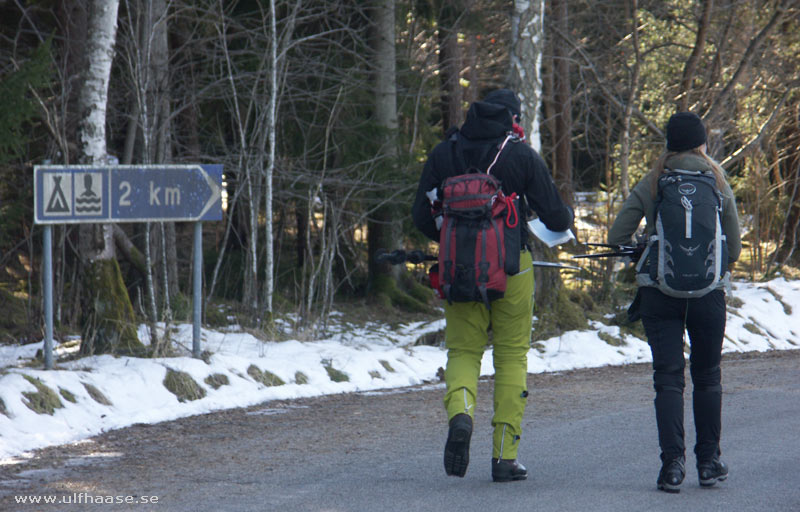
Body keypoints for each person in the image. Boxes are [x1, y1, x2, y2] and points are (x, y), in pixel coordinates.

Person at [412, 89, 573, 482]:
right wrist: (563, 215)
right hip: (511, 269)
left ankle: (462, 415)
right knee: (511, 357)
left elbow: (420, 215)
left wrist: (453, 241)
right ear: (513, 119)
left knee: (464, 351)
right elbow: (555, 218)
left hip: (457, 272)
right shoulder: (519, 154)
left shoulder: (444, 153)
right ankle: (504, 457)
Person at [607, 112, 742, 493]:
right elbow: (735, 246)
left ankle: (672, 466)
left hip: (659, 294)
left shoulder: (653, 181)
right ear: (702, 143)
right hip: (708, 296)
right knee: (707, 376)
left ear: (668, 143)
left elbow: (618, 235)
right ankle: (709, 462)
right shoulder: (716, 181)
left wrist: (644, 247)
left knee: (668, 380)